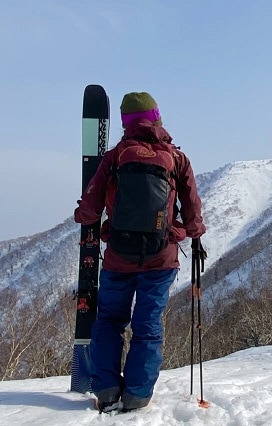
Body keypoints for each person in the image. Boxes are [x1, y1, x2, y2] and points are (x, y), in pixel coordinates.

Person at [74, 92, 206, 413]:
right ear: (157, 116)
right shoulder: (177, 158)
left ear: (124, 123)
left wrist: (89, 218)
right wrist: (196, 237)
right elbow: (192, 213)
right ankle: (137, 394)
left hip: (119, 258)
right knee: (147, 325)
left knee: (108, 321)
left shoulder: (115, 157)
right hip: (161, 260)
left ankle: (105, 389)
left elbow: (88, 211)